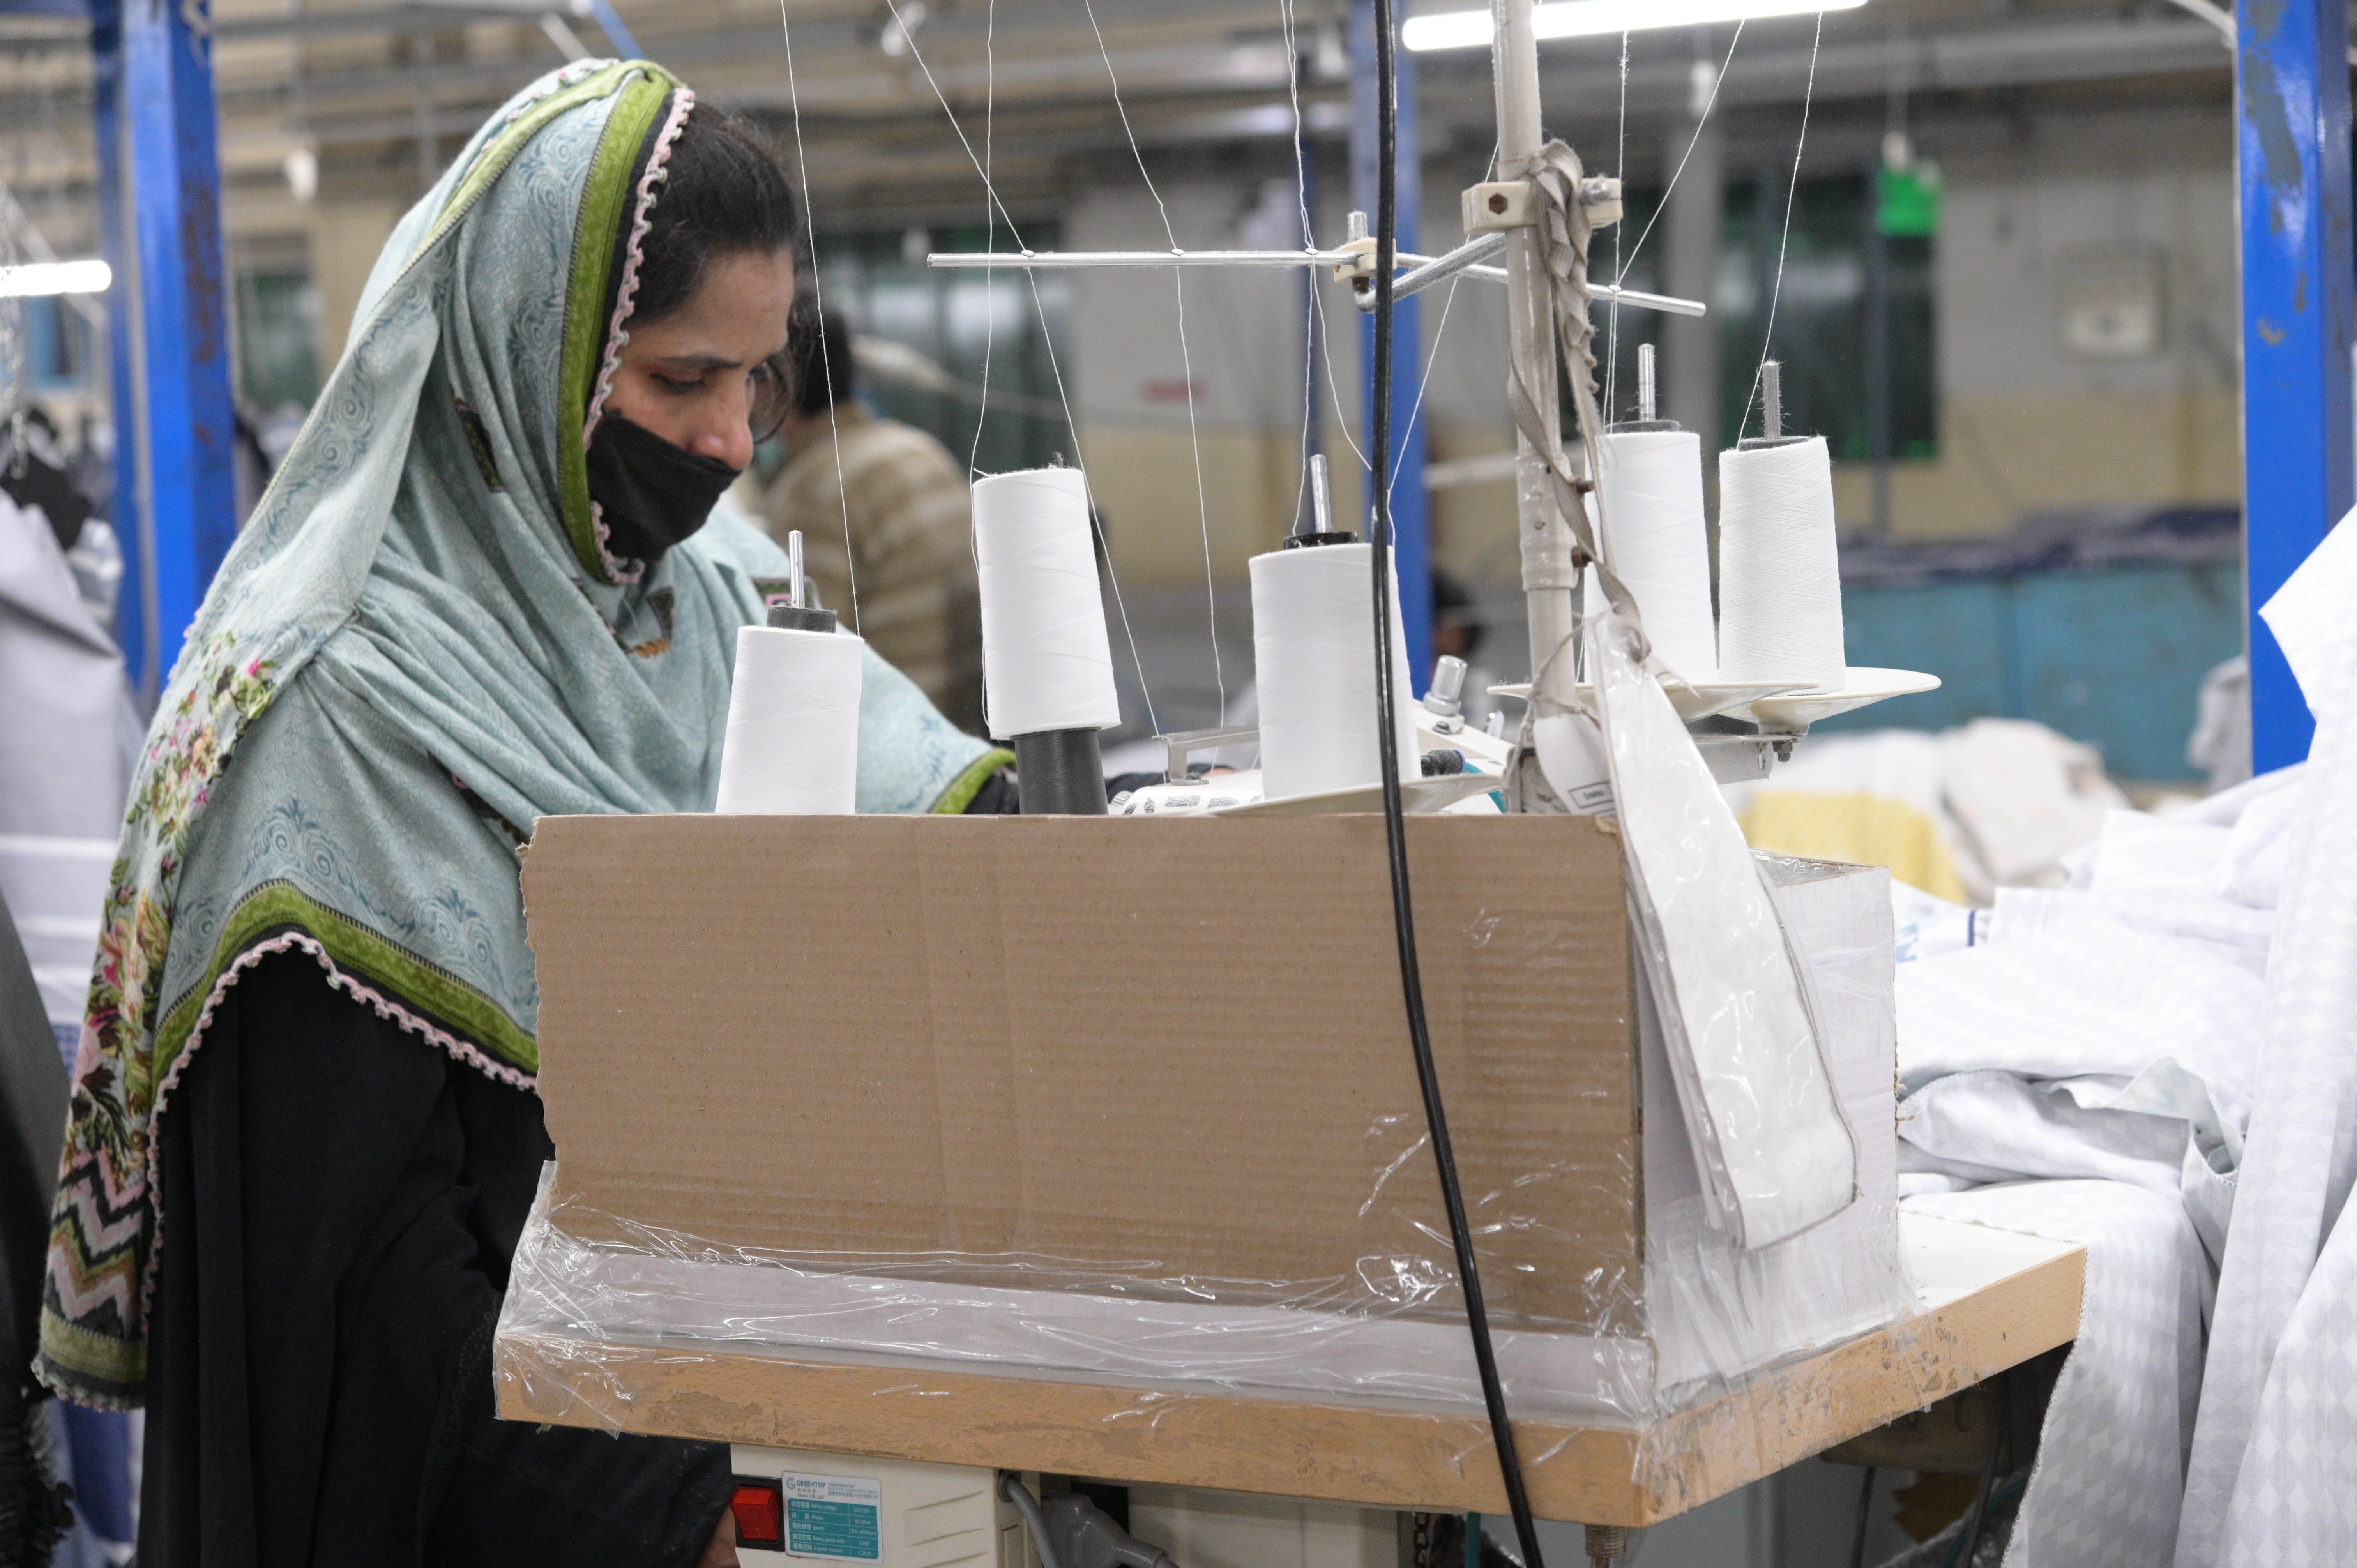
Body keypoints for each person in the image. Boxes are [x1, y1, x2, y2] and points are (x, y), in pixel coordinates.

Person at [34, 62, 1011, 1568]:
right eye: (684, 381)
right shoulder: (336, 706)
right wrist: (680, 1516)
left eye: (754, 380)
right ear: (526, 355)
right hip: (491, 1494)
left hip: (704, 1403)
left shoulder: (703, 603)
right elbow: (367, 1292)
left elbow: (941, 819)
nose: (733, 440)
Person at [759, 311, 985, 733]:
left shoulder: (812, 492)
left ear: (774, 385)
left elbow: (807, 678)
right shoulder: (919, 448)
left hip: (904, 750)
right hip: (971, 740)